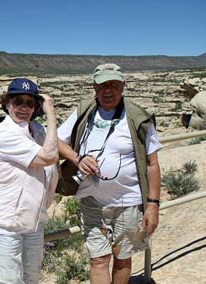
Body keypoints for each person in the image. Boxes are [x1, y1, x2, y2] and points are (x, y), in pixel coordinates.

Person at [58, 63, 162, 284]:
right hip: (92, 201)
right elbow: (56, 141)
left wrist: (153, 205)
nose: (108, 90)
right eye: (103, 85)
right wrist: (78, 159)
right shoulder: (84, 112)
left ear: (123, 86)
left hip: (129, 202)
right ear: (94, 87)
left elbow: (152, 163)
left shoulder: (138, 117)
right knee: (99, 259)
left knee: (122, 258)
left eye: (113, 84)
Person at [0, 77, 59, 284]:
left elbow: (56, 146)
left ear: (35, 107)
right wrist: (51, 114)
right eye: (17, 101)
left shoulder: (37, 131)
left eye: (30, 103)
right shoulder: (6, 134)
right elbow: (49, 156)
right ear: (7, 103)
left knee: (32, 278)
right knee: (11, 281)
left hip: (33, 221)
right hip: (6, 222)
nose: (24, 107)